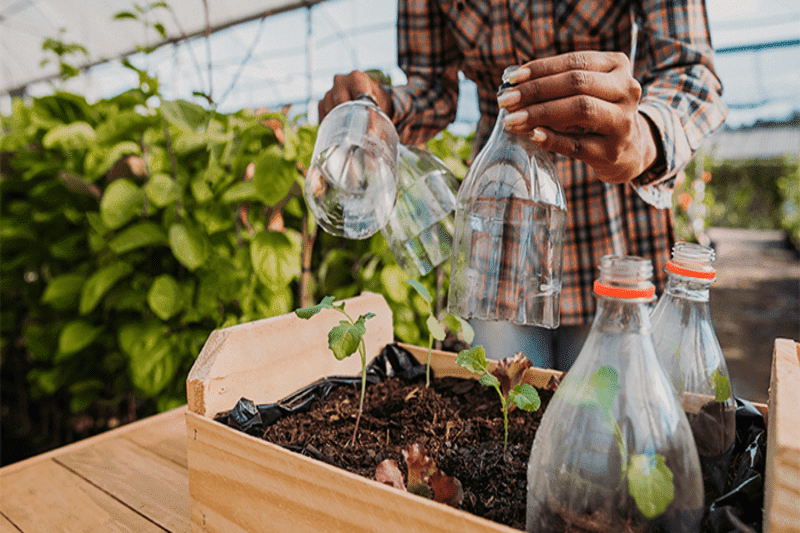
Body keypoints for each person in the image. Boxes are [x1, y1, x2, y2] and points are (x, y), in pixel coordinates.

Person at [318, 0, 727, 370]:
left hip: (610, 227)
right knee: (502, 417)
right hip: (499, 234)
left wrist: (642, 138)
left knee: (608, 429)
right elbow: (432, 88)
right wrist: (383, 106)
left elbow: (690, 70)